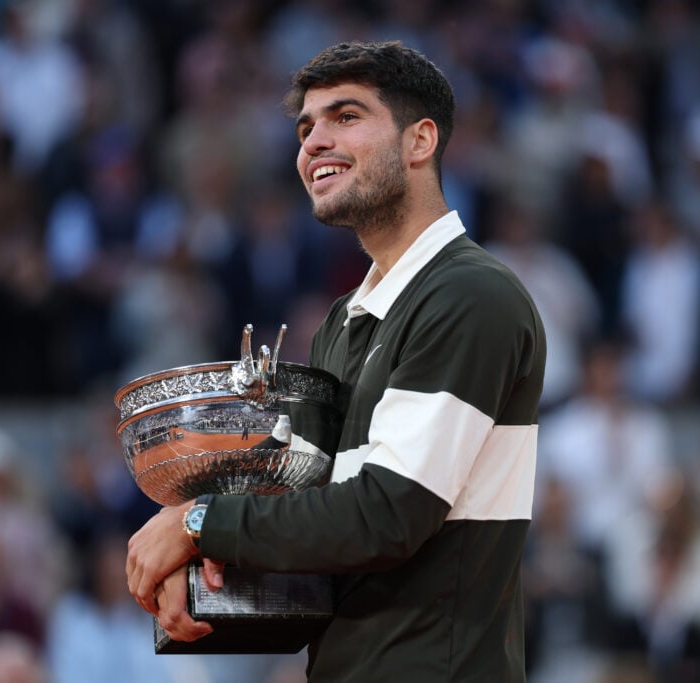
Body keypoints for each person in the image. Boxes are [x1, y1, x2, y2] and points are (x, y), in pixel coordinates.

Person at [126, 40, 547, 682]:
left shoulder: (469, 294)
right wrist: (206, 573)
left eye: (346, 116)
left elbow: (388, 516)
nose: (314, 142)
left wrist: (201, 522)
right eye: (305, 128)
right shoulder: (344, 318)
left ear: (420, 140)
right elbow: (327, 540)